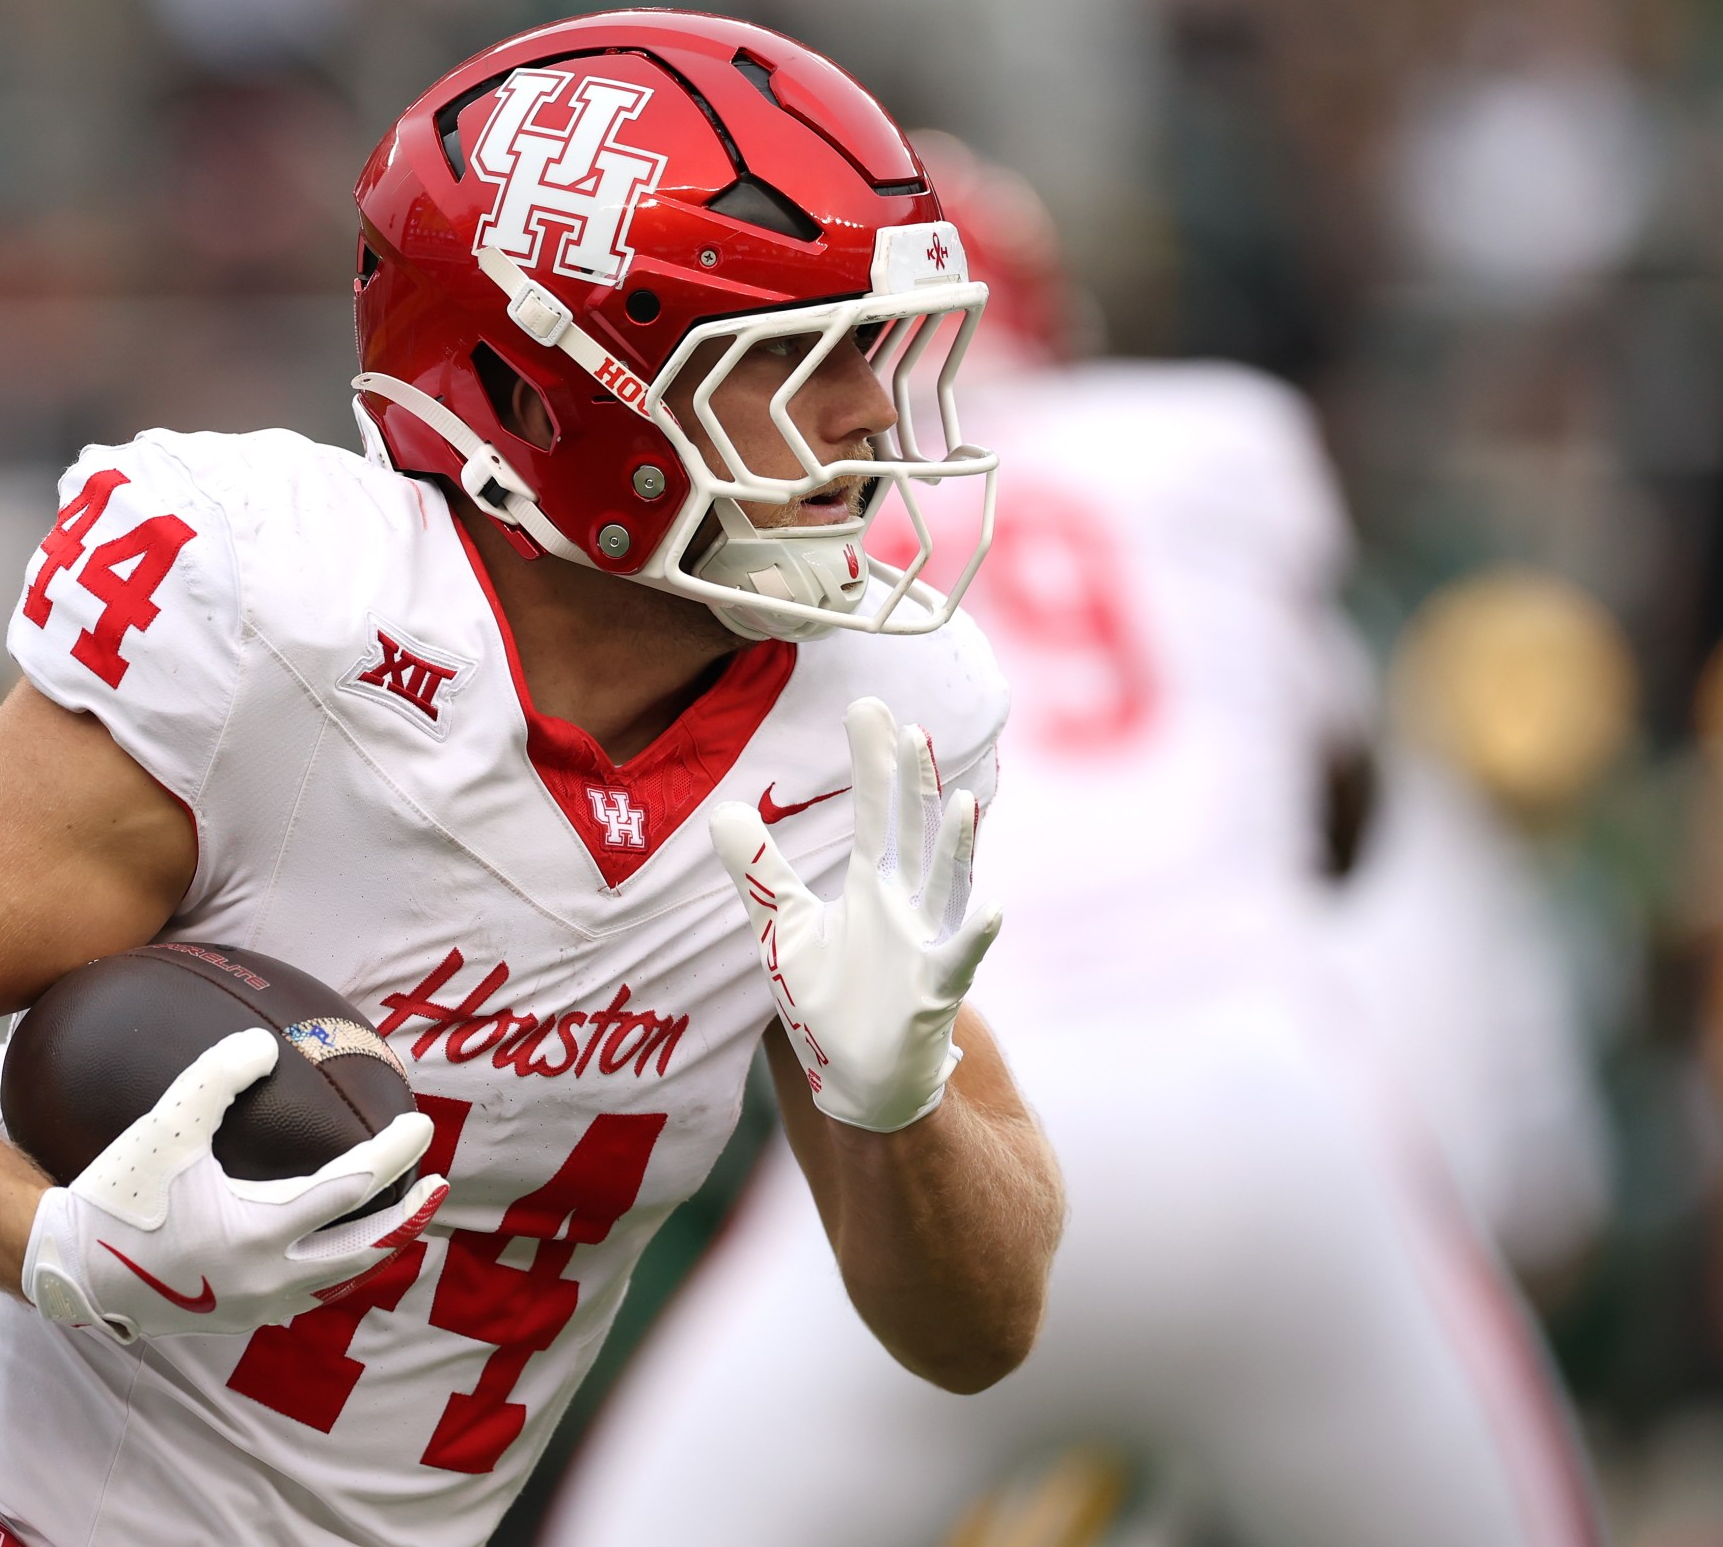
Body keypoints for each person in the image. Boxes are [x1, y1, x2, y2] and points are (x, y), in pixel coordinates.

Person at [0, 11, 1064, 1547]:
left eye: (872, 348)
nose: (871, 414)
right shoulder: (289, 621)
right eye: (795, 357)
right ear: (547, 396)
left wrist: (899, 1102)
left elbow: (982, 1329)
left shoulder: (870, 721)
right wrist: (55, 1243)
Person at [540, 140, 1604, 1547]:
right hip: (1265, 1101)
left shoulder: (742, 517)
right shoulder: (1215, 438)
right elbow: (1340, 804)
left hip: (947, 1108)